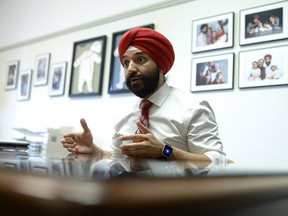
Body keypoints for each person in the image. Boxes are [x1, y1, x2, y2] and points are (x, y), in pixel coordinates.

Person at [61, 27, 228, 164]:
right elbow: (120, 158)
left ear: (161, 66)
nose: (131, 68)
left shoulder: (193, 107)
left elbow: (217, 161)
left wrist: (164, 150)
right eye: (126, 63)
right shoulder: (123, 114)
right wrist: (96, 152)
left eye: (140, 60)